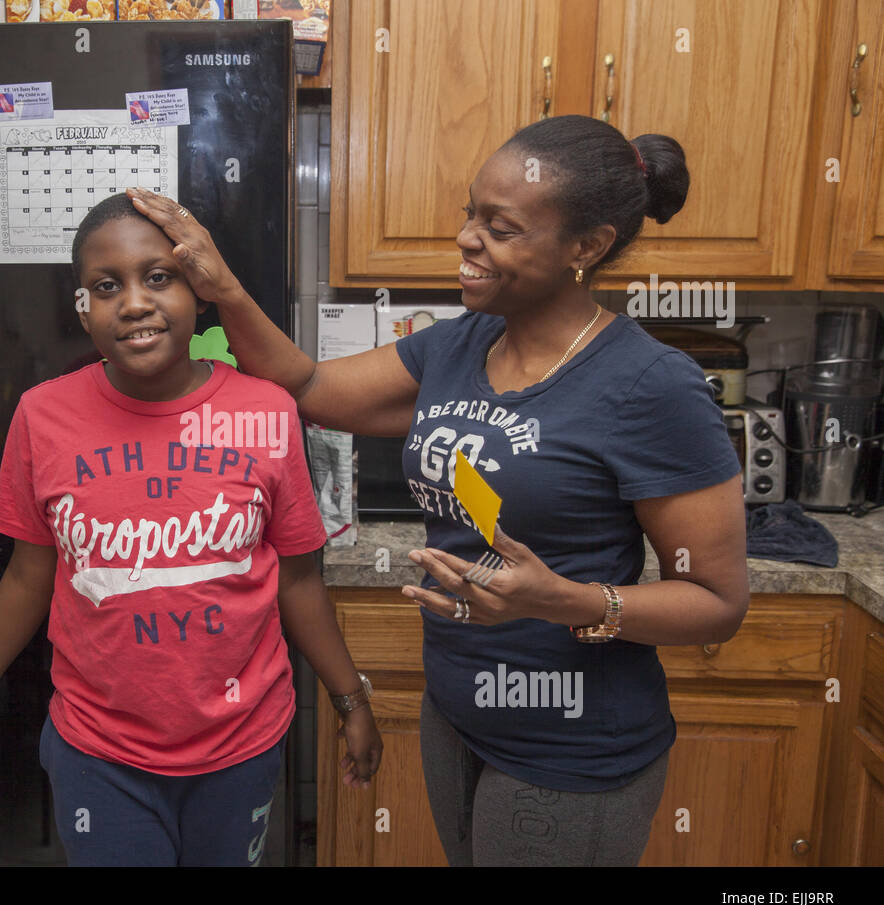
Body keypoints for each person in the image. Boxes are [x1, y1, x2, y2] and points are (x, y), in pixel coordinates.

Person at [125, 114, 750, 866]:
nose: (466, 238)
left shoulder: (651, 385)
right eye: (470, 213)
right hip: (457, 714)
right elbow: (311, 386)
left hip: (572, 743)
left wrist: (566, 600)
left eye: (502, 226)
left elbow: (717, 604)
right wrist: (220, 287)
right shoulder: (462, 341)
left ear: (586, 248)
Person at [0, 191, 382, 867]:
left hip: (240, 744)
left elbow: (298, 579)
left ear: (199, 289)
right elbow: (29, 574)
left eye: (159, 277)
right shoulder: (43, 416)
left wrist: (349, 697)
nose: (133, 302)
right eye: (106, 286)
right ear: (83, 307)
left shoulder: (266, 412)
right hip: (100, 752)